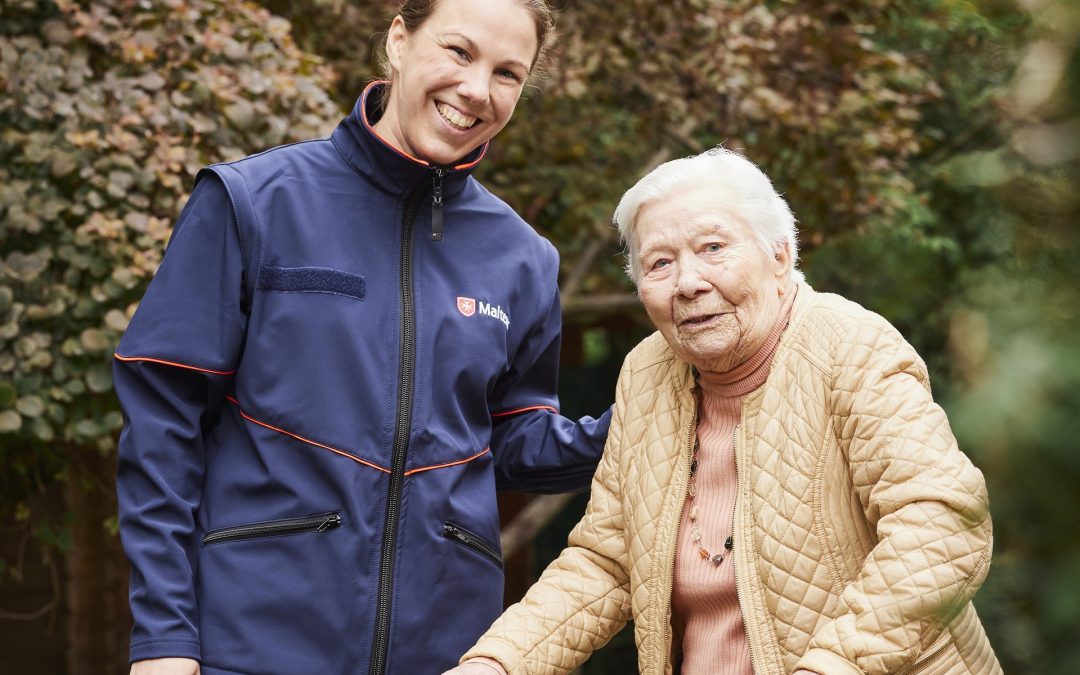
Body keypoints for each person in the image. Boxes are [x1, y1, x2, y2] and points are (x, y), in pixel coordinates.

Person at [113, 1, 610, 673]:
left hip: (446, 653)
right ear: (399, 39)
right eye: (459, 52)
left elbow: (519, 444)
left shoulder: (523, 260)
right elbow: (161, 434)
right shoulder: (251, 201)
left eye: (506, 74)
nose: (476, 90)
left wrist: (651, 414)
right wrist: (164, 642)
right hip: (251, 647)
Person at [449, 148, 1002, 675]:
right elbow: (607, 562)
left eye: (713, 248)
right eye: (660, 263)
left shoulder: (850, 347)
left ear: (780, 255)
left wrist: (834, 665)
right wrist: (497, 661)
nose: (689, 283)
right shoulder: (648, 373)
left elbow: (941, 526)